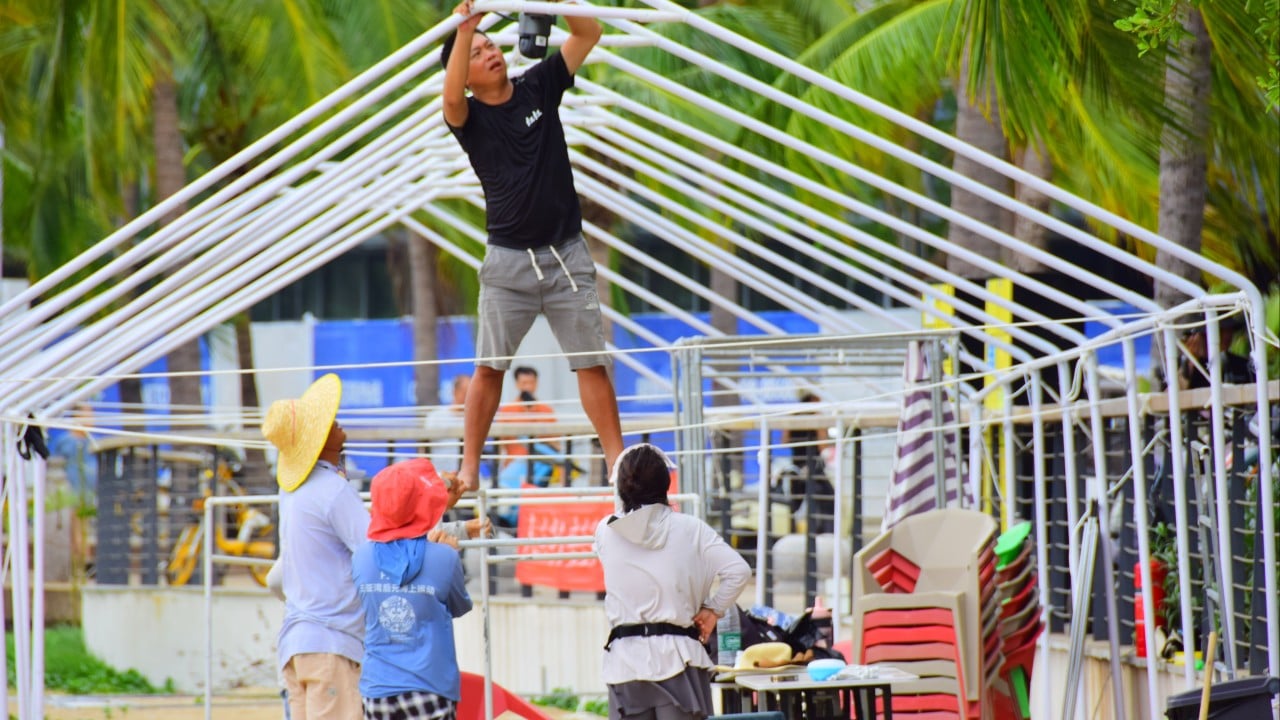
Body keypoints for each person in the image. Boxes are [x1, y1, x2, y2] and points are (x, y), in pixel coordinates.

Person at [441, 0, 623, 492]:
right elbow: (451, 100)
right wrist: (466, 29)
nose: (491, 53)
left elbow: (588, 35)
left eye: (491, 45)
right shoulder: (469, 118)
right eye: (478, 53)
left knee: (593, 364)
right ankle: (470, 468)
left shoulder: (537, 85)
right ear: (465, 71)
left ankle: (617, 463)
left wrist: (561, 6)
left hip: (567, 258)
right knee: (488, 369)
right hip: (507, 266)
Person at [595, 444, 751, 720]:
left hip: (624, 662)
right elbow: (738, 570)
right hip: (680, 657)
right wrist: (713, 610)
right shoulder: (691, 528)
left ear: (622, 487)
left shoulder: (605, 532)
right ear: (666, 483)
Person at [262, 373, 370, 720]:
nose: (339, 425)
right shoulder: (333, 491)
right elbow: (374, 549)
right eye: (333, 422)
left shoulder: (291, 492)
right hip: (331, 643)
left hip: (296, 643)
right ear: (323, 438)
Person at [353, 459, 473, 720]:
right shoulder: (445, 557)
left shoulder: (361, 557)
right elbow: (460, 606)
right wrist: (449, 553)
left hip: (377, 687)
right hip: (431, 685)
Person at [424, 374, 471, 473]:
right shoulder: (436, 417)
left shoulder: (474, 419)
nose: (468, 398)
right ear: (455, 392)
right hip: (439, 474)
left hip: (464, 475)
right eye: (465, 393)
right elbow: (424, 449)